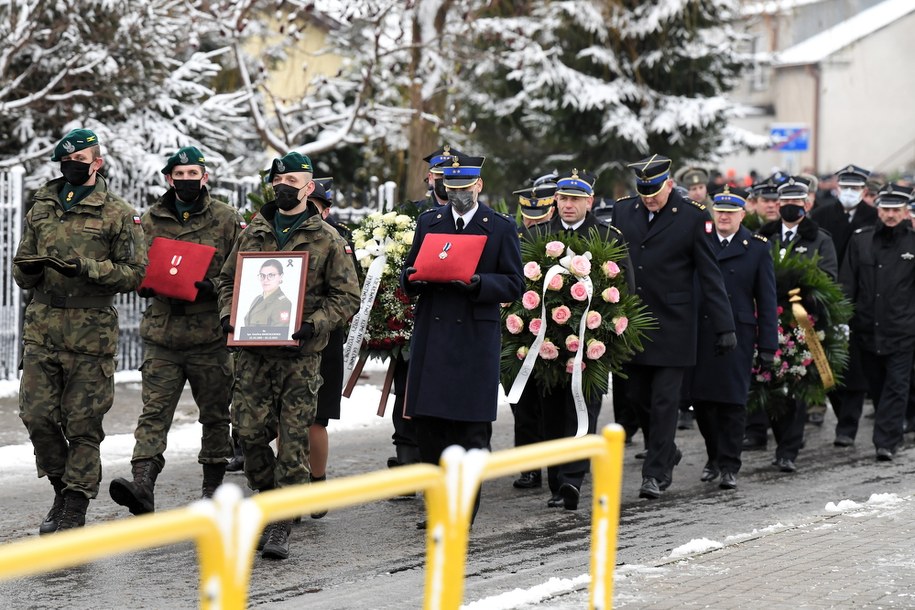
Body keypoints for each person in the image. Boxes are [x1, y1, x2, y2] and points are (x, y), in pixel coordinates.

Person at [217, 151, 360, 560]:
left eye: (293, 182)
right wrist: (229, 314)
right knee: (248, 431)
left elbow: (346, 296)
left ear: (309, 187)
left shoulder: (327, 238)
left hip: (300, 355)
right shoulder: (252, 234)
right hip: (253, 354)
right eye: (278, 182)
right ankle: (268, 495)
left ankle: (279, 520)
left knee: (294, 438)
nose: (284, 188)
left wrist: (315, 323)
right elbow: (228, 281)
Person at [13, 128, 147, 533]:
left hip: (91, 333)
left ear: (97, 163)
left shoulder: (117, 212)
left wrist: (90, 269)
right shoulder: (41, 205)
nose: (71, 168)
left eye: (80, 162)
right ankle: (60, 486)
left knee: (83, 423)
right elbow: (21, 265)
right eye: (66, 163)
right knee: (35, 416)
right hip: (43, 328)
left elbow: (136, 274)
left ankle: (75, 504)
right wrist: (28, 270)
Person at [109, 146, 243, 516]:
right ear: (169, 178)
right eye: (179, 175)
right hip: (163, 335)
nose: (186, 180)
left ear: (205, 176)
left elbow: (240, 272)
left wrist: (213, 288)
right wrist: (143, 284)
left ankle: (212, 488)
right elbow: (134, 265)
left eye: (193, 174)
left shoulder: (227, 219)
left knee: (215, 415)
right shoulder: (150, 220)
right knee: (153, 413)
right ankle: (142, 485)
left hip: (209, 338)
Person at [401, 154, 524, 523]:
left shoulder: (499, 227)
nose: (458, 196)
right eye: (451, 189)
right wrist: (412, 278)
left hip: (473, 335)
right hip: (434, 335)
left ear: (479, 186)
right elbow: (409, 271)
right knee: (430, 428)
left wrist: (479, 283)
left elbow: (514, 283)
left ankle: (463, 510)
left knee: (471, 430)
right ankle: (438, 504)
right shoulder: (430, 222)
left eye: (465, 189)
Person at [611, 154, 736, 500]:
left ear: (668, 184)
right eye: (643, 192)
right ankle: (665, 451)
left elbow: (710, 274)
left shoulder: (693, 217)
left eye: (654, 191)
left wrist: (724, 325)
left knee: (665, 401)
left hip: (674, 325)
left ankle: (656, 473)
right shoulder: (624, 211)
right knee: (636, 398)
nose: (648, 198)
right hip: (633, 323)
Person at [523, 169, 634, 509]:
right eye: (563, 199)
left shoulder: (606, 235)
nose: (568, 205)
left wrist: (611, 332)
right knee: (551, 413)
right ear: (555, 200)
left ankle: (572, 480)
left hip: (591, 344)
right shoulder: (540, 233)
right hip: (546, 343)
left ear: (590, 201)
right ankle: (557, 480)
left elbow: (626, 289)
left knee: (583, 410)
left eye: (575, 199)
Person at [689, 188, 778, 490]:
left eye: (731, 211)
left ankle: (729, 464)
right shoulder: (700, 242)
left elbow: (766, 300)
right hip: (701, 332)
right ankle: (713, 457)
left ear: (743, 214)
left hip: (738, 335)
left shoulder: (756, 248)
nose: (724, 216)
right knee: (702, 402)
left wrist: (768, 345)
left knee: (732, 402)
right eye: (720, 211)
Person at [756, 177, 838, 472]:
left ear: (806, 204)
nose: (791, 207)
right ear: (778, 205)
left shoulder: (820, 239)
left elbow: (827, 278)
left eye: (796, 202)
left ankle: (788, 450)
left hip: (803, 321)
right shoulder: (763, 236)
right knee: (772, 383)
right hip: (766, 319)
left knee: (797, 384)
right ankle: (780, 440)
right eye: (785, 202)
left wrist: (798, 290)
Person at [836, 183, 915, 460]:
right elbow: (847, 284)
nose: (891, 214)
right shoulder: (861, 240)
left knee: (897, 385)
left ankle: (886, 442)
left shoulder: (912, 242)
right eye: (886, 209)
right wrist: (843, 320)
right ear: (878, 209)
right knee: (878, 387)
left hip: (903, 330)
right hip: (867, 330)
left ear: (906, 211)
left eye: (896, 209)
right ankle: (888, 430)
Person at [306, 178, 356, 518]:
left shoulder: (338, 240)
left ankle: (317, 480)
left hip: (324, 338)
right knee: (284, 418)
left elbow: (350, 292)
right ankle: (291, 487)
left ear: (326, 209)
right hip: (285, 334)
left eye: (317, 208)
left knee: (315, 418)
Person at [508, 172, 557, 490]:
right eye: (528, 215)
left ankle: (555, 462)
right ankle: (528, 466)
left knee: (549, 402)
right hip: (516, 331)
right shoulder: (512, 235)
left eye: (539, 215)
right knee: (522, 403)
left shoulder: (557, 240)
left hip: (551, 331)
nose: (533, 221)